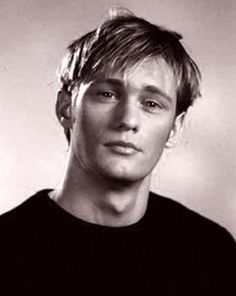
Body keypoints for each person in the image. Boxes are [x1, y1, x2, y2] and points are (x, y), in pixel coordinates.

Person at [0, 7, 235, 296]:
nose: (127, 120)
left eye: (151, 103)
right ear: (65, 107)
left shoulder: (211, 253)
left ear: (174, 129)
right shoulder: (8, 249)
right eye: (107, 94)